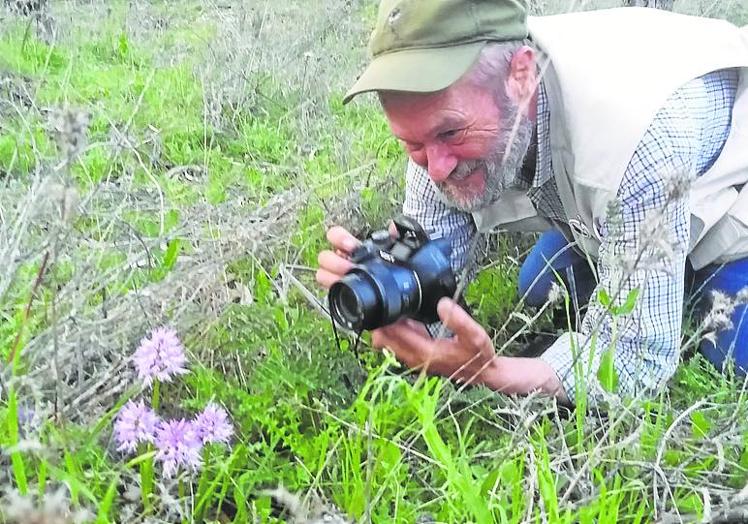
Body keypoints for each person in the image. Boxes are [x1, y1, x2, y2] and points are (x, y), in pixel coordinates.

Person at [316, 0, 748, 406]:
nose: (436, 168)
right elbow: (433, 269)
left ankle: (687, 283)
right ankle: (656, 279)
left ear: (520, 78)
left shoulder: (640, 138)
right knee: (543, 286)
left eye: (451, 134)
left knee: (729, 348)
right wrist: (390, 291)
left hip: (726, 208)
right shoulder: (440, 136)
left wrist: (492, 373)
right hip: (626, 202)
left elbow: (638, 360)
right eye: (412, 143)